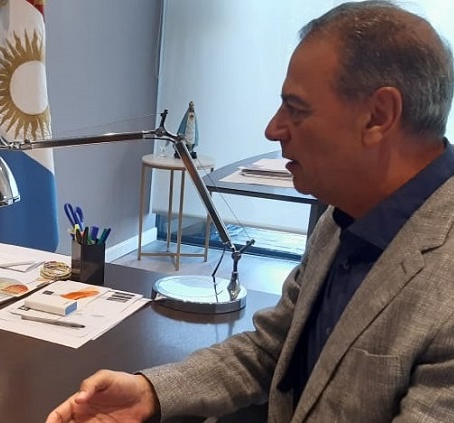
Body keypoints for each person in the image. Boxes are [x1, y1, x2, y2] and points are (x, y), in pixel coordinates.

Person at [47, 1, 454, 422]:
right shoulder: (343, 217)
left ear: (379, 116)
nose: (273, 129)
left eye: (296, 109)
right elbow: (272, 350)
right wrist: (151, 393)